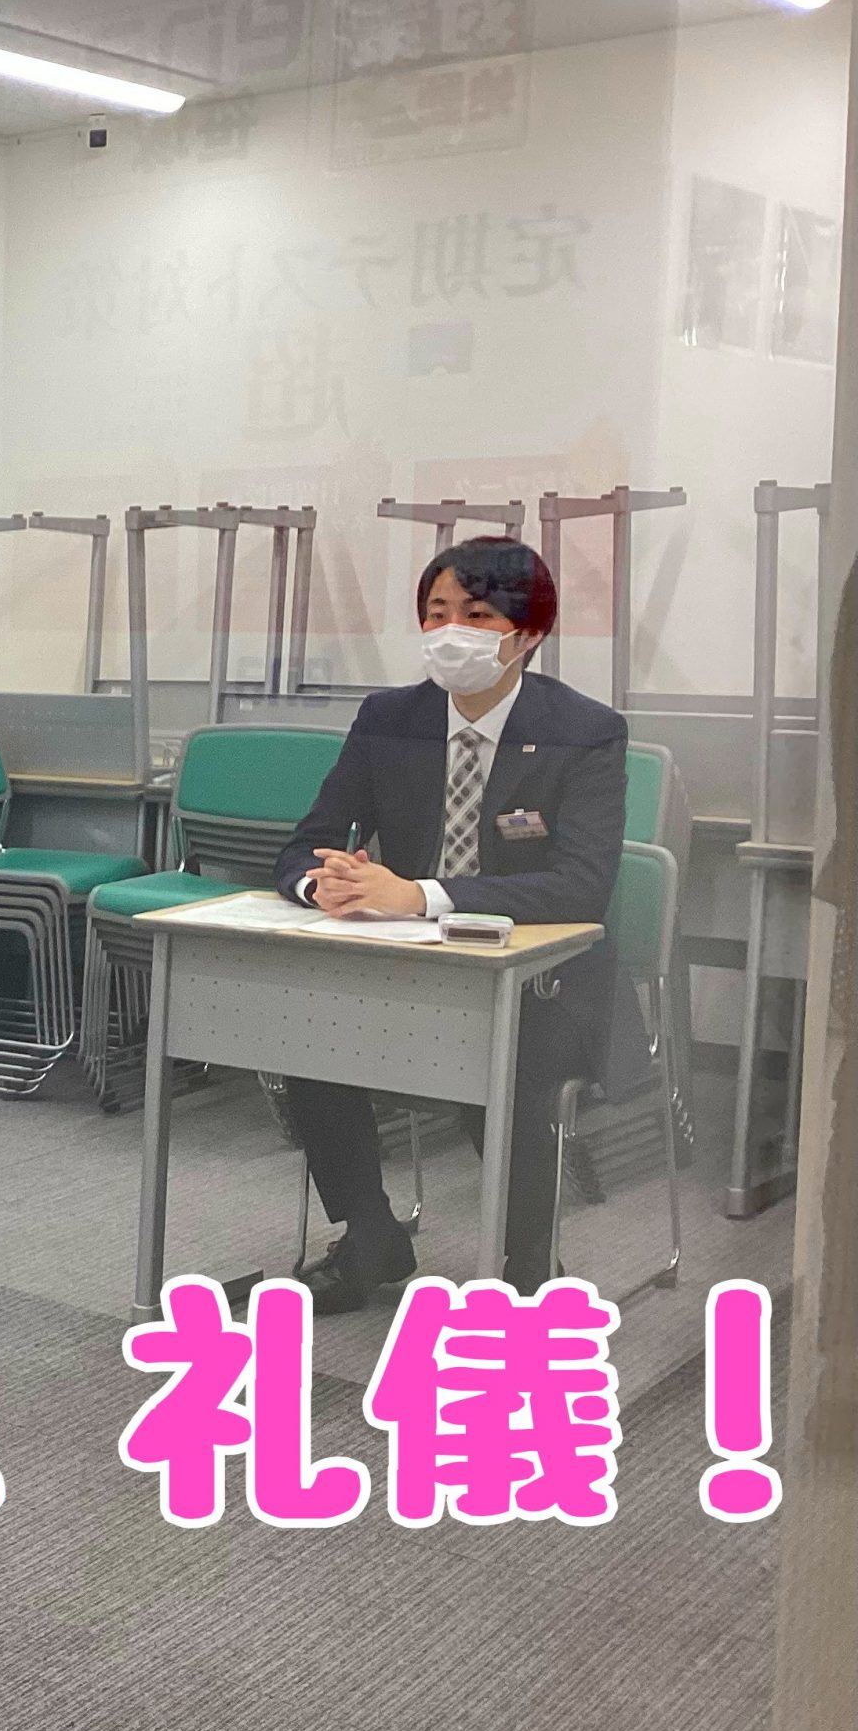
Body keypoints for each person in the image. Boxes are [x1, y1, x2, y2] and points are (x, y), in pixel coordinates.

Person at [274, 536, 627, 1311]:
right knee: (308, 1031)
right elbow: (307, 841)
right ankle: (371, 1234)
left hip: (543, 979)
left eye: (475, 614)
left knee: (502, 1061)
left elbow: (582, 887)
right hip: (407, 967)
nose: (449, 632)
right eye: (436, 614)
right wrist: (320, 883)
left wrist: (422, 895)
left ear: (527, 633)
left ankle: (527, 1261)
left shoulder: (585, 730)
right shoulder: (389, 719)